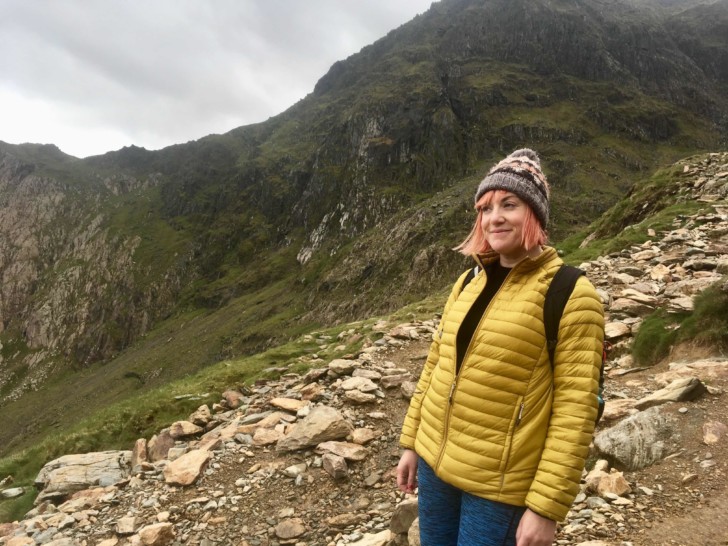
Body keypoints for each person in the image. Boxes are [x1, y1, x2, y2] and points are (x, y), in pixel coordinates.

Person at [397, 148, 604, 546]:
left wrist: (546, 508)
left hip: (498, 487)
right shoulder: (466, 283)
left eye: (509, 204)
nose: (495, 217)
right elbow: (436, 368)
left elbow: (576, 412)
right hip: (435, 469)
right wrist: (412, 443)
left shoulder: (571, 294)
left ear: (536, 214)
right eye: (486, 207)